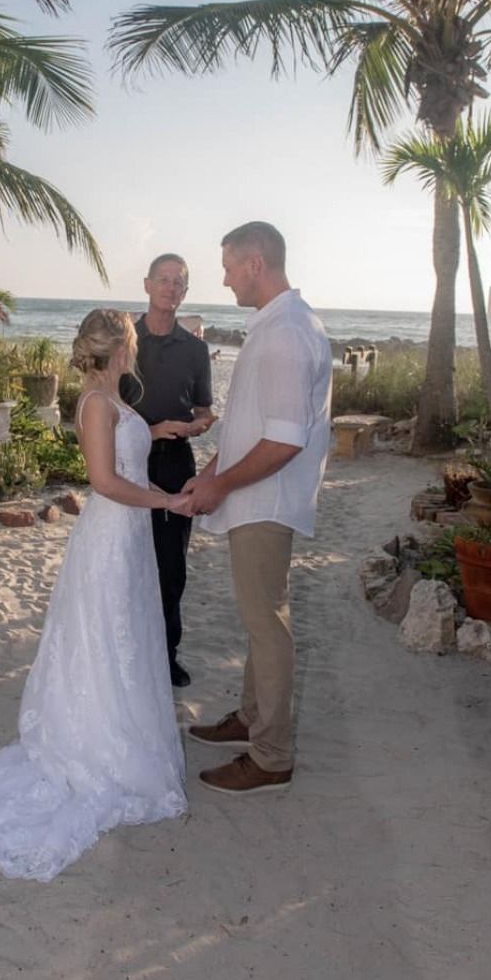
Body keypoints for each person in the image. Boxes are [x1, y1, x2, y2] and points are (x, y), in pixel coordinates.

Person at [0, 309, 192, 881]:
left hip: (128, 537)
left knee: (125, 638)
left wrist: (161, 449)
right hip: (110, 535)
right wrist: (167, 502)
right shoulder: (96, 404)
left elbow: (127, 461)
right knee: (104, 640)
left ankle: (123, 737)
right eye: (132, 339)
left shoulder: (114, 401)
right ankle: (98, 747)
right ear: (122, 347)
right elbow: (104, 482)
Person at [178, 221, 333, 795]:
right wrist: (212, 472)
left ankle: (271, 756)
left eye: (228, 266)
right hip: (254, 493)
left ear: (256, 263)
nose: (223, 279)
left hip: (266, 500)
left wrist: (221, 487)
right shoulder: (276, 325)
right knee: (258, 620)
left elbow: (286, 438)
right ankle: (251, 719)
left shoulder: (289, 331)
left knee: (267, 626)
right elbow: (253, 425)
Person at [120, 253, 216, 688]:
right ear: (146, 285)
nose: (171, 287)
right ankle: (126, 649)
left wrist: (197, 425)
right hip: (128, 459)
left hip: (176, 462)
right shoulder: (124, 343)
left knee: (171, 565)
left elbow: (205, 409)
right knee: (126, 558)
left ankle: (166, 655)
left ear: (185, 292)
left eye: (180, 282)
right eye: (164, 279)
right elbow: (103, 407)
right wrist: (150, 429)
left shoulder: (196, 350)